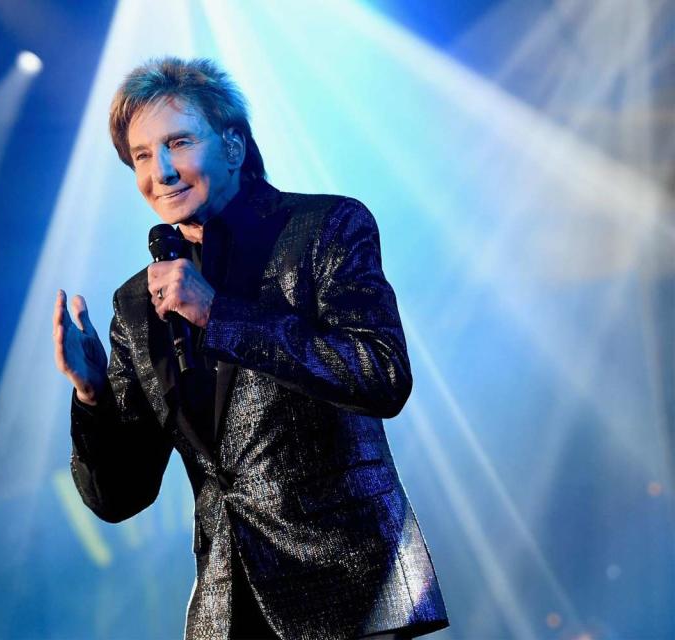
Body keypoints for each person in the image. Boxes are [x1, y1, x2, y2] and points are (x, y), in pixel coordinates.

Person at [53, 56, 449, 640]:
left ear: (233, 146)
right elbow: (119, 498)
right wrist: (91, 398)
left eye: (179, 142)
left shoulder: (324, 228)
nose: (160, 171)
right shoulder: (138, 303)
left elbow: (382, 374)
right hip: (225, 609)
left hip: (351, 596)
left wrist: (219, 314)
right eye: (141, 155)